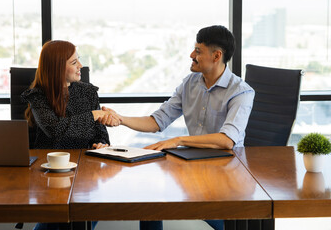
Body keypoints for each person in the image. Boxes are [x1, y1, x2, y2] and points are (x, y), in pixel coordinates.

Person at [101, 25, 255, 230]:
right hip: (193, 166)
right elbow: (158, 121)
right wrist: (121, 119)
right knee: (150, 198)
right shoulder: (190, 83)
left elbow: (227, 140)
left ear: (217, 56)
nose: (192, 55)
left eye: (198, 51)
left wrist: (178, 140)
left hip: (227, 173)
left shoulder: (241, 92)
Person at [22, 40, 120, 230]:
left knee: (84, 213)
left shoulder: (88, 92)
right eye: (74, 62)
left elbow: (100, 134)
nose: (80, 67)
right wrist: (92, 115)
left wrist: (101, 143)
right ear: (58, 67)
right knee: (62, 218)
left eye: (79, 60)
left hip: (84, 169)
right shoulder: (37, 96)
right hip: (50, 171)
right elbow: (55, 130)